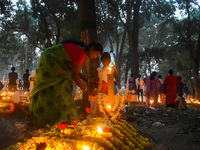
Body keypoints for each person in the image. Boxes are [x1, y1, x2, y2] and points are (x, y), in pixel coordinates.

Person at [30, 39, 103, 126]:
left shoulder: (81, 52)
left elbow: (75, 71)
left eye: (97, 56)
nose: (95, 57)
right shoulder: (81, 53)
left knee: (63, 86)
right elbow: (74, 75)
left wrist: (88, 80)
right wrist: (87, 91)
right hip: (50, 60)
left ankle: (57, 119)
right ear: (92, 48)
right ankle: (50, 119)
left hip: (52, 59)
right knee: (61, 87)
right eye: (95, 54)